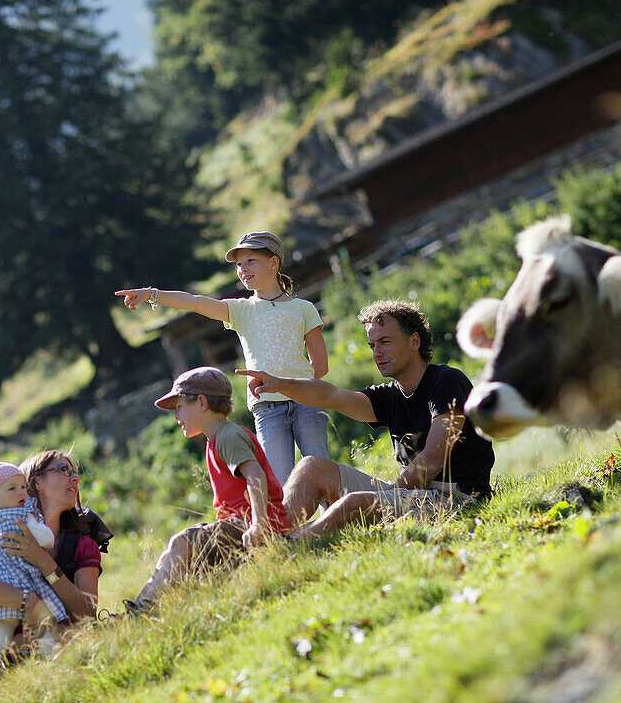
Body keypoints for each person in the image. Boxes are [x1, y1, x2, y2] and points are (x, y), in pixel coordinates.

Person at [237, 299, 494, 540]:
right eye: (373, 346)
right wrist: (280, 384)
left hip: (456, 500)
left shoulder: (447, 381)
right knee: (311, 467)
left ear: (414, 341)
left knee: (354, 504)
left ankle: (291, 546)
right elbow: (331, 395)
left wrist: (385, 497)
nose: (377, 353)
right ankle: (269, 538)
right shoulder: (389, 396)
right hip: (413, 495)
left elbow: (432, 460)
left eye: (385, 342)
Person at [115, 230, 329, 485]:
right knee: (281, 486)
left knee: (322, 474)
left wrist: (298, 387)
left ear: (274, 262)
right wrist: (152, 294)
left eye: (251, 261)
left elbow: (321, 366)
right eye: (239, 264)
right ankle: (292, 527)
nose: (243, 269)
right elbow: (194, 302)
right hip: (267, 408)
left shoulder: (303, 308)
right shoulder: (240, 310)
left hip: (307, 403)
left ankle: (337, 521)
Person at [128, 366, 289, 612]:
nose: (176, 416)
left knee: (182, 541)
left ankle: (143, 611)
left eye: (179, 407)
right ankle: (141, 606)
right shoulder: (216, 439)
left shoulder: (228, 436)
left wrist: (258, 525)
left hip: (249, 527)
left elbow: (254, 474)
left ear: (201, 402)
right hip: (238, 526)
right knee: (173, 551)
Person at [0, 450, 113, 684]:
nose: (76, 478)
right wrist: (28, 601)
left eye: (74, 472)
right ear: (36, 482)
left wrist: (42, 561)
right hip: (9, 667)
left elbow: (87, 615)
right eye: (63, 470)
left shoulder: (83, 546)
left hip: (63, 664)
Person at [0, 461, 67, 683]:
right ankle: (55, 664)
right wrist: (39, 535)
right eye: (12, 488)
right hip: (28, 586)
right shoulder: (24, 516)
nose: (21, 492)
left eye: (22, 487)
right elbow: (45, 539)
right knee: (45, 629)